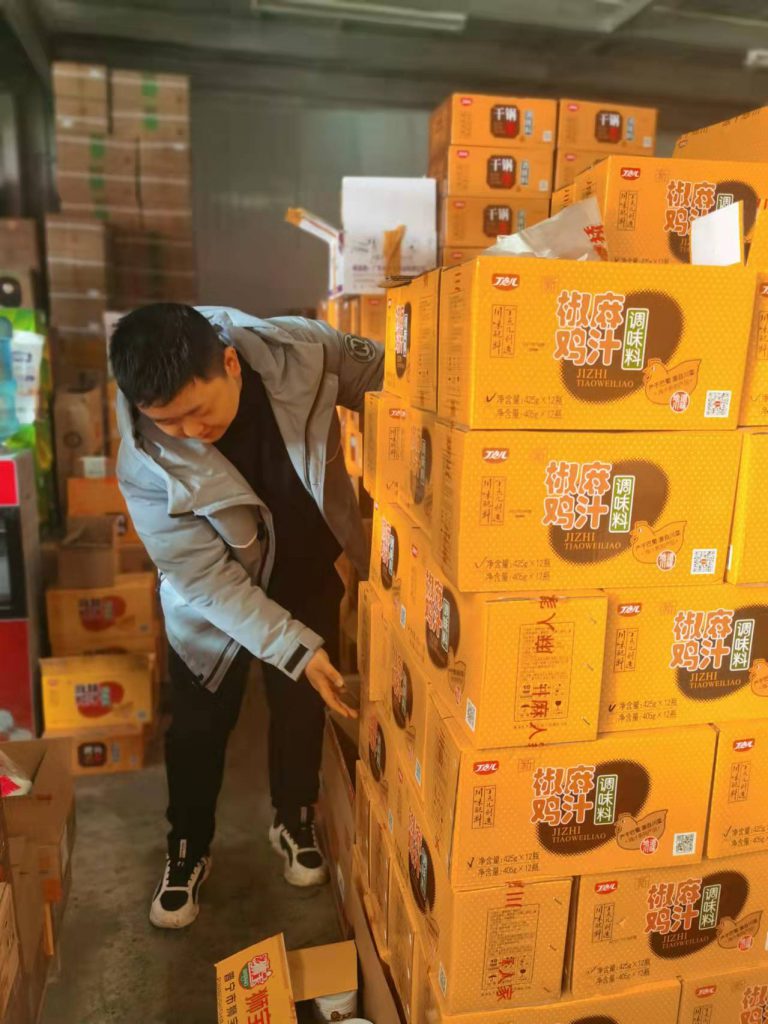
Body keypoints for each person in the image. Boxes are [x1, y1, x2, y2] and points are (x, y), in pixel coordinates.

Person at [110, 303, 382, 929]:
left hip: (305, 572)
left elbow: (390, 376)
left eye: (197, 411)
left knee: (302, 706)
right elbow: (206, 578)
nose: (188, 431)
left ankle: (294, 820)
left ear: (230, 364)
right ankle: (187, 847)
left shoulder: (302, 353)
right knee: (200, 725)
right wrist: (290, 645)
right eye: (167, 421)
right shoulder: (145, 463)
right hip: (213, 611)